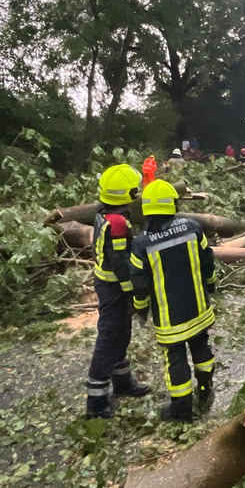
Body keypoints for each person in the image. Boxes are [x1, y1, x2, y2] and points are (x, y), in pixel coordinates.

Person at [130, 180, 218, 422]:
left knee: (176, 359)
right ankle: (204, 390)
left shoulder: (141, 243)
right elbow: (207, 260)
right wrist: (210, 284)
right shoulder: (192, 227)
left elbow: (139, 283)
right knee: (202, 348)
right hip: (199, 308)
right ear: (173, 204)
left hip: (171, 319)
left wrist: (139, 309)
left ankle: (181, 410)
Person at [86, 164, 152, 419]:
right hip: (114, 286)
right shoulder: (115, 223)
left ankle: (122, 382)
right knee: (110, 336)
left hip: (110, 284)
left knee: (122, 333)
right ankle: (97, 400)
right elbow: (121, 264)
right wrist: (134, 292)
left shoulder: (105, 213)